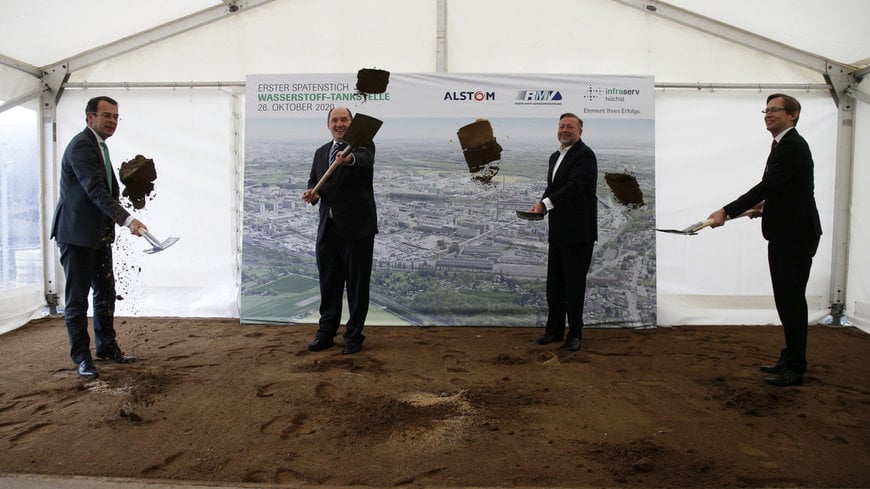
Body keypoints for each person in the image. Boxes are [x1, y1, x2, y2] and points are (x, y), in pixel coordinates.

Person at [708, 93, 822, 387]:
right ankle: (789, 356)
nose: (768, 114)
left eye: (775, 110)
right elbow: (788, 190)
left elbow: (768, 185)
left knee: (791, 301)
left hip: (795, 236)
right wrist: (766, 207)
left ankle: (795, 367)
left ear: (793, 114)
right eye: (766, 110)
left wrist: (726, 210)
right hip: (786, 232)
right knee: (786, 300)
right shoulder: (782, 144)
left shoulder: (793, 145)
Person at [51, 96, 148, 379]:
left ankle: (106, 347)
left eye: (116, 117)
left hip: (98, 234)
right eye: (107, 116)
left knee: (105, 292)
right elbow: (95, 191)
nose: (112, 121)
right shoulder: (82, 146)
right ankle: (82, 357)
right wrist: (128, 219)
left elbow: (106, 189)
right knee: (78, 299)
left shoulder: (100, 147)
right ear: (89, 117)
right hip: (76, 234)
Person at [302, 106, 378, 355]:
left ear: (352, 124)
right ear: (328, 124)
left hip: (357, 229)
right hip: (328, 230)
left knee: (357, 286)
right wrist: (312, 194)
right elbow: (315, 182)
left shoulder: (362, 146)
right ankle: (325, 334)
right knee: (329, 283)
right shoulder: (321, 152)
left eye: (344, 119)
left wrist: (350, 159)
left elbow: (364, 163)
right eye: (334, 120)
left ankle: (354, 336)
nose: (339, 124)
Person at [528, 113, 598, 352]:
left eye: (570, 126)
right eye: (561, 126)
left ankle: (575, 334)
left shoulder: (585, 155)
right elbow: (553, 187)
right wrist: (540, 205)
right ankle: (554, 330)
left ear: (580, 131)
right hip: (558, 232)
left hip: (579, 234)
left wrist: (546, 204)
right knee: (555, 285)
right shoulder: (555, 156)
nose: (564, 130)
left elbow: (574, 187)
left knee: (574, 286)